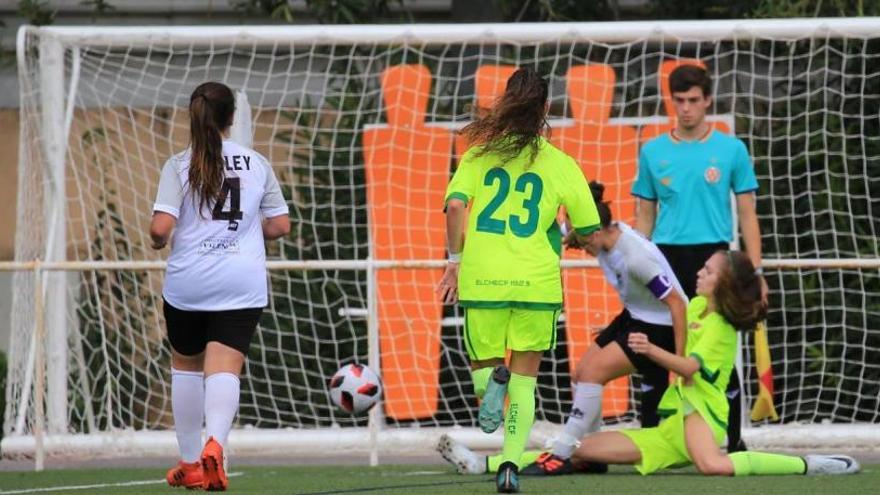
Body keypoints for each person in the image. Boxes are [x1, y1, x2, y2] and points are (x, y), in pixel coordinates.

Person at [441, 251, 860, 478]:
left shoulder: (721, 328)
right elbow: (670, 330)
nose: (700, 272)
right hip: (671, 427)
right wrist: (618, 333)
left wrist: (648, 349)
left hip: (702, 418)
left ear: (725, 283)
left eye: (709, 270)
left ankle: (810, 464)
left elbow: (690, 369)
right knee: (580, 451)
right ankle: (486, 464)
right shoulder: (695, 305)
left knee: (712, 465)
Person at [439, 181, 688, 476]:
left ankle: (561, 454)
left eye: (579, 236)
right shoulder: (603, 233)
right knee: (581, 374)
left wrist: (679, 362)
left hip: (659, 326)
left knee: (593, 374)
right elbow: (574, 235)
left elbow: (678, 304)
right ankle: (592, 456)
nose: (577, 244)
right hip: (633, 315)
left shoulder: (636, 257)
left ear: (593, 229)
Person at [436, 67, 600, 493]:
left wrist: (454, 260)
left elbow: (455, 208)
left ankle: (491, 385)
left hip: (484, 279)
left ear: (506, 103)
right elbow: (589, 228)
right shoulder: (562, 164)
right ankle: (509, 464)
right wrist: (573, 237)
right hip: (536, 283)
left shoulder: (478, 155)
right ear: (546, 109)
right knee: (526, 382)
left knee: (486, 369)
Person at [151, 81, 290, 491]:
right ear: (232, 118)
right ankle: (217, 444)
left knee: (187, 366)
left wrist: (158, 239)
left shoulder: (179, 165)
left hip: (188, 283)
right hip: (239, 281)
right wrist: (247, 228)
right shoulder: (257, 163)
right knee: (225, 368)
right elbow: (280, 225)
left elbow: (161, 228)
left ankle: (192, 461)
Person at [632, 64, 767, 452]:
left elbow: (746, 212)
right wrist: (639, 267)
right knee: (661, 344)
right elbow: (645, 216)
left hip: (714, 260)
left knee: (718, 348)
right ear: (670, 101)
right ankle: (651, 436)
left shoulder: (730, 148)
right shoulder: (653, 150)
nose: (687, 108)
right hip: (666, 259)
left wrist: (754, 272)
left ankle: (733, 439)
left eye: (694, 100)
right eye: (679, 101)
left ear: (708, 100)